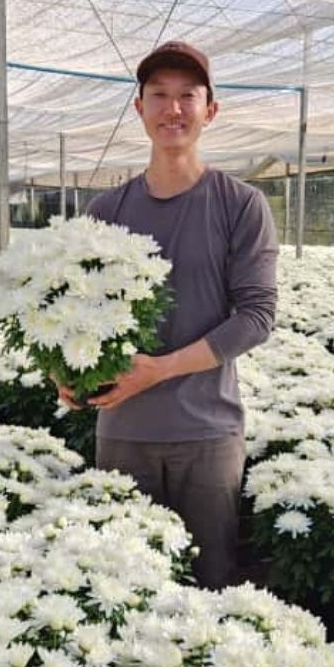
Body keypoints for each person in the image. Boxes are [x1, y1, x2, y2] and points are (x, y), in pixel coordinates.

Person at [57, 41, 278, 590]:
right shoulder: (106, 211)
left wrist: (159, 369)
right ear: (138, 108)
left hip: (207, 434)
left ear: (211, 110)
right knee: (122, 583)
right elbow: (77, 310)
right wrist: (63, 368)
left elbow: (256, 315)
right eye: (159, 95)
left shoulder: (240, 204)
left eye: (188, 96)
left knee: (210, 582)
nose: (172, 109)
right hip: (124, 431)